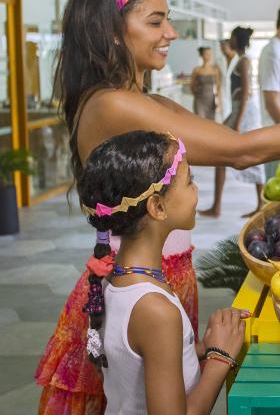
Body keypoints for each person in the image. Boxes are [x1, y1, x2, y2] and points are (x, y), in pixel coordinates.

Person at [36, 0, 280, 414]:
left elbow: (234, 142)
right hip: (140, 280)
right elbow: (240, 151)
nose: (170, 32)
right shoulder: (114, 104)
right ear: (110, 30)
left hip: (159, 270)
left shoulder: (140, 99)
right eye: (155, 21)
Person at [78, 130, 246, 414]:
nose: (195, 190)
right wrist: (221, 358)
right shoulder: (155, 310)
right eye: (189, 181)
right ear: (157, 206)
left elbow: (137, 364)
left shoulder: (118, 279)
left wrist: (200, 348)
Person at [199, 27, 265, 218]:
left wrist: (237, 121)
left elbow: (245, 92)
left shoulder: (243, 61)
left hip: (244, 112)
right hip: (238, 110)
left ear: (238, 39)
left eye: (232, 37)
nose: (229, 40)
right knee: (222, 156)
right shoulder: (238, 59)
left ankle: (259, 203)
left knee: (252, 153)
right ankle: (217, 206)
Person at [190, 46, 221, 120]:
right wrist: (197, 95)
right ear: (202, 55)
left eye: (210, 54)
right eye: (206, 54)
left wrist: (218, 101)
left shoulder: (215, 70)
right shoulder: (197, 70)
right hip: (199, 100)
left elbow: (218, 86)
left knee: (211, 123)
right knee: (200, 121)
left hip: (211, 100)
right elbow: (192, 85)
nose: (208, 56)